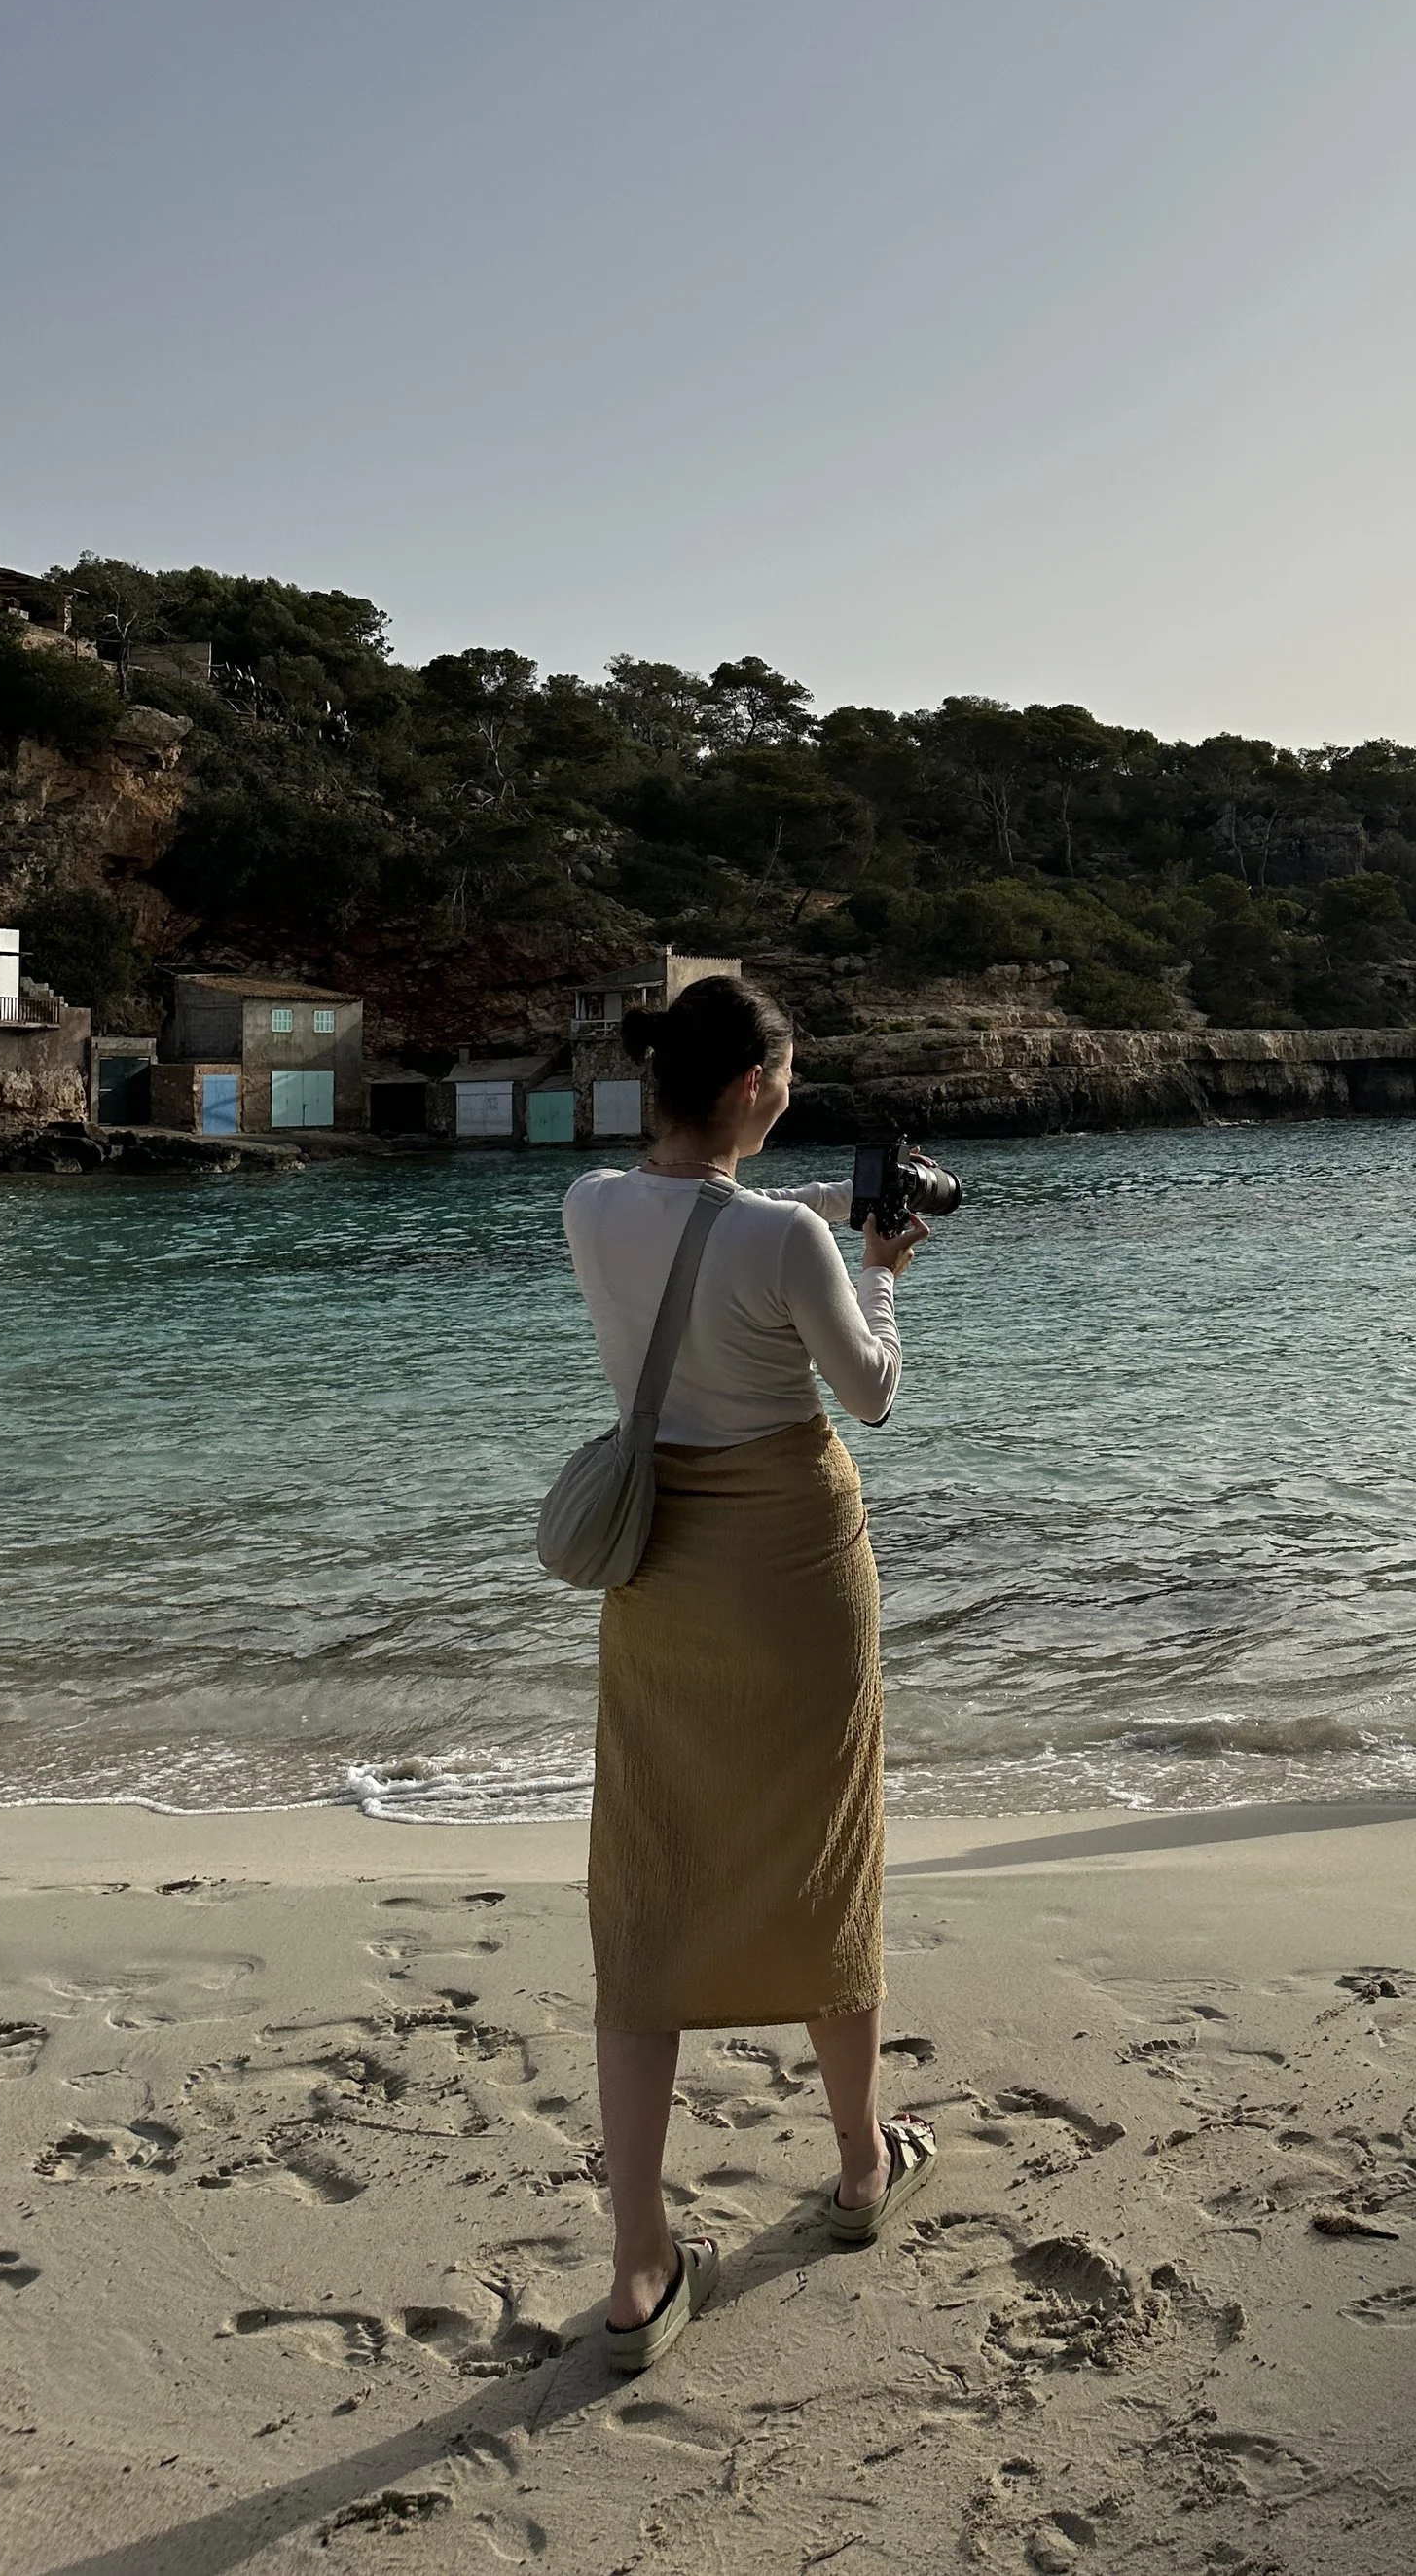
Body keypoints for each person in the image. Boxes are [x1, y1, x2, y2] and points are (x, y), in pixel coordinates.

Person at [561, 973, 938, 2376]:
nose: (791, 1091)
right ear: (747, 1090)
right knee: (826, 1847)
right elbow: (873, 1393)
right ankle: (855, 2165)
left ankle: (639, 2261)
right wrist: (884, 1275)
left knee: (651, 1875)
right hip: (790, 1559)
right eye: (784, 1073)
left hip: (658, 1568)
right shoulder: (788, 1235)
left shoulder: (589, 1206)